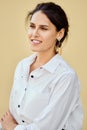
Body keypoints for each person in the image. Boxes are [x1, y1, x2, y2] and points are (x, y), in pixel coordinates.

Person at [0, 2, 83, 130]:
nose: (34, 33)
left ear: (59, 34)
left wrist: (12, 128)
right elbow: (13, 114)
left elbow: (47, 127)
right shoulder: (22, 66)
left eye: (43, 28)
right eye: (32, 26)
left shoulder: (65, 77)